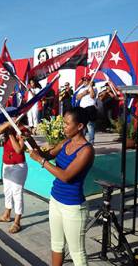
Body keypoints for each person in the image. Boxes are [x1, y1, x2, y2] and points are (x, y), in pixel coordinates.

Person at [28, 107, 94, 266]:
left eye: (66, 124)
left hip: (73, 208)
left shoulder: (86, 150)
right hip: (56, 201)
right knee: (56, 244)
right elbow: (46, 155)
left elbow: (65, 176)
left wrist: (41, 161)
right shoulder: (66, 141)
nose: (63, 127)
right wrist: (29, 139)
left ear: (80, 126)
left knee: (77, 252)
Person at [0, 121, 28, 234]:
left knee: (17, 193)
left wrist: (11, 134)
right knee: (7, 191)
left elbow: (18, 149)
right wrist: (8, 124)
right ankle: (6, 215)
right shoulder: (7, 127)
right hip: (7, 165)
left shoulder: (23, 131)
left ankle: (17, 222)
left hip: (18, 166)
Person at [76, 76, 97, 145]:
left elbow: (92, 96)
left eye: (86, 80)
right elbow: (77, 97)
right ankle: (83, 140)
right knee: (82, 125)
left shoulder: (94, 88)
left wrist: (90, 87)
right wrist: (83, 93)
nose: (84, 82)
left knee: (90, 125)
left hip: (90, 108)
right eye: (83, 81)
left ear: (89, 81)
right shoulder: (82, 89)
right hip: (82, 108)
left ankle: (91, 141)